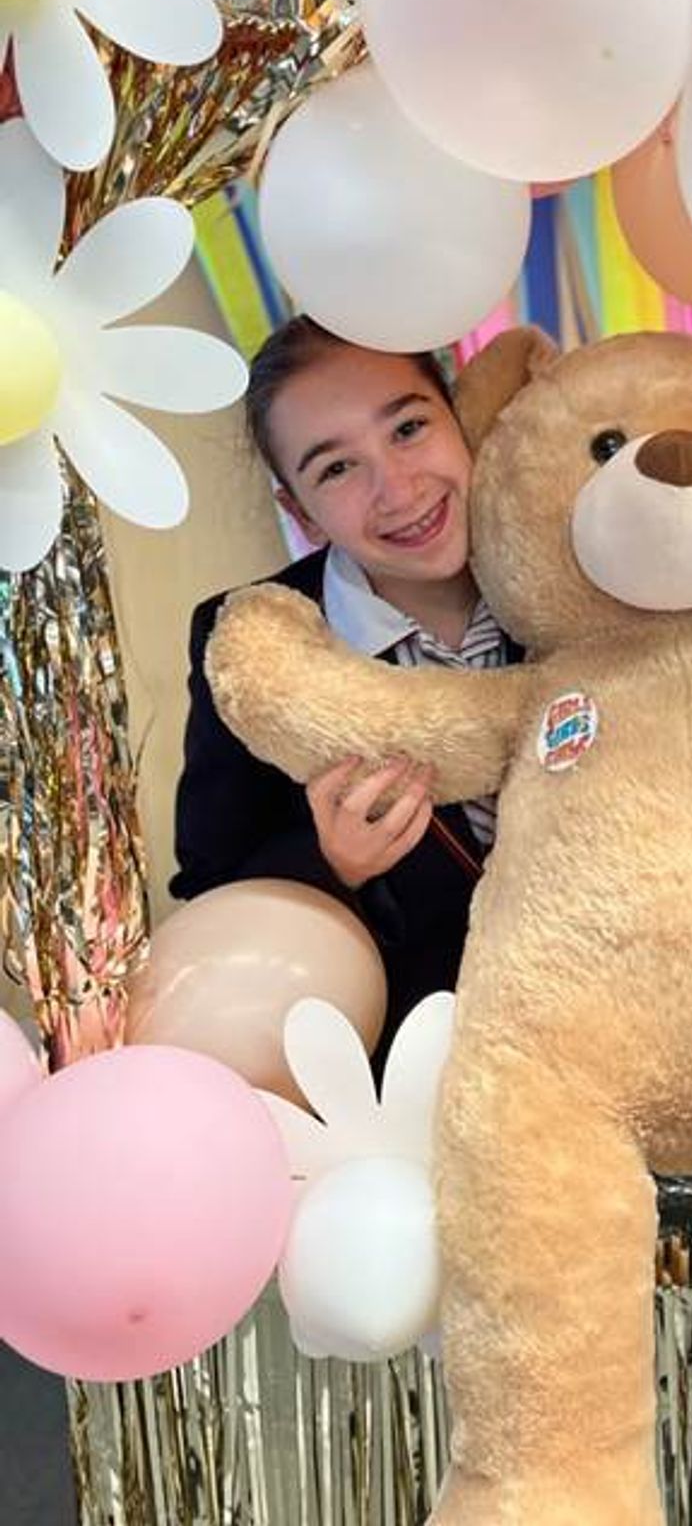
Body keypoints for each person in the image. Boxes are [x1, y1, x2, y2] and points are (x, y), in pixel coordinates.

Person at [172, 316, 519, 1051]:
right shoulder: (255, 646)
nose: (398, 488)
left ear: (460, 419)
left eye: (408, 428)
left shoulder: (579, 571)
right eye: (336, 469)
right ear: (301, 511)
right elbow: (210, 889)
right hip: (408, 1069)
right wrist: (330, 865)